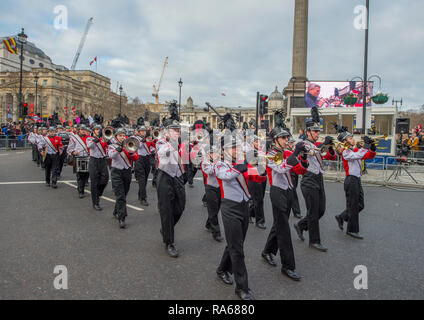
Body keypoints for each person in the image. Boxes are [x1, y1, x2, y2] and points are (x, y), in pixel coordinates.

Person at [215, 139, 264, 301]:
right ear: (224, 151)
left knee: (235, 243)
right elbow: (226, 176)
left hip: (243, 206)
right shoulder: (220, 164)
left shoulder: (242, 163)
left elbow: (256, 177)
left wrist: (262, 168)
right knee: (238, 249)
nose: (236, 150)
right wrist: (241, 166)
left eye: (237, 147)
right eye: (232, 148)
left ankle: (222, 269)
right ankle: (242, 288)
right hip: (230, 208)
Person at [261, 127, 308, 281]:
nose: (287, 140)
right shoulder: (270, 155)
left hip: (288, 192)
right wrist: (295, 153)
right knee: (284, 230)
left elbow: (300, 171)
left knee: (279, 224)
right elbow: (281, 169)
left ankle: (267, 251)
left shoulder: (287, 153)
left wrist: (304, 156)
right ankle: (288, 266)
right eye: (283, 138)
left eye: (287, 137)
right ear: (275, 140)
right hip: (277, 192)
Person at [293, 107, 337, 252]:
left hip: (319, 178)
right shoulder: (302, 143)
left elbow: (329, 156)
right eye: (315, 131)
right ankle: (314, 241)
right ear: (308, 132)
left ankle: (301, 225)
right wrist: (324, 144)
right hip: (308, 179)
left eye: (319, 131)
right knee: (313, 211)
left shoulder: (316, 144)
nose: (318, 133)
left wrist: (330, 147)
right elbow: (312, 151)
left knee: (321, 210)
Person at [335, 129, 376, 239]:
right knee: (353, 206)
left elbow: (368, 155)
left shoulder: (355, 149)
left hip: (357, 179)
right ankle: (352, 230)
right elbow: (356, 155)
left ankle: (342, 216)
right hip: (351, 180)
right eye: (350, 138)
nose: (353, 139)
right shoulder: (345, 150)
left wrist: (372, 147)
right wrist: (365, 146)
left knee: (360, 205)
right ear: (345, 141)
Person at [156, 120, 187, 258]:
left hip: (178, 176)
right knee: (166, 210)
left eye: (178, 130)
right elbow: (162, 153)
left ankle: (166, 228)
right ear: (167, 132)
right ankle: (169, 242)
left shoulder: (183, 143)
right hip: (165, 177)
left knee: (180, 207)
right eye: (174, 130)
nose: (177, 133)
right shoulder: (161, 142)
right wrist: (173, 144)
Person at [108, 128, 139, 228]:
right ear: (116, 136)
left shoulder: (129, 144)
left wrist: (130, 153)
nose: (122, 137)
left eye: (123, 135)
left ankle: (116, 210)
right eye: (120, 135)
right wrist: (118, 150)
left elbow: (136, 158)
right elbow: (111, 156)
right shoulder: (112, 145)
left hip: (127, 171)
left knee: (124, 194)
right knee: (120, 195)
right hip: (116, 171)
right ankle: (122, 218)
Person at [200, 145, 223, 242]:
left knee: (217, 208)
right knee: (213, 210)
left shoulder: (220, 161)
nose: (216, 154)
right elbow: (210, 171)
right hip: (210, 188)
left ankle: (208, 224)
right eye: (214, 153)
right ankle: (216, 233)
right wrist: (217, 163)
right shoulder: (205, 162)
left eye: (217, 152)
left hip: (219, 187)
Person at [87, 124, 109, 211]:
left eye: (99, 129)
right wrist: (98, 138)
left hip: (103, 160)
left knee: (105, 179)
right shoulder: (90, 138)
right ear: (93, 131)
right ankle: (95, 202)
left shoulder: (105, 139)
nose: (98, 131)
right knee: (94, 182)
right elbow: (90, 146)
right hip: (94, 160)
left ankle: (98, 193)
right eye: (96, 129)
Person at [247, 135, 267, 229]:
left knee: (259, 198)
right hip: (254, 178)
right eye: (255, 141)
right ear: (252, 143)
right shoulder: (250, 152)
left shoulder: (261, 151)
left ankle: (249, 213)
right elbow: (251, 165)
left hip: (262, 176)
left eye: (258, 141)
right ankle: (260, 221)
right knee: (258, 199)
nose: (257, 143)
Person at [133, 126, 154, 206]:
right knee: (141, 178)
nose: (143, 132)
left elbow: (151, 147)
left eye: (144, 131)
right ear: (138, 132)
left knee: (145, 178)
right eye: (141, 131)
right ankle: (143, 198)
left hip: (147, 158)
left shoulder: (148, 138)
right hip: (139, 159)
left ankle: (140, 194)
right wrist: (143, 141)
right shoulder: (135, 138)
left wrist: (152, 147)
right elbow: (138, 146)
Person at [67, 125, 90, 198]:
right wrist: (73, 152)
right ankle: (81, 191)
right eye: (82, 129)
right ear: (79, 130)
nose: (83, 131)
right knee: (80, 175)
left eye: (85, 129)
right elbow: (69, 149)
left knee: (86, 174)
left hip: (88, 157)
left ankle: (81, 186)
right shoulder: (74, 138)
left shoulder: (89, 138)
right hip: (79, 157)